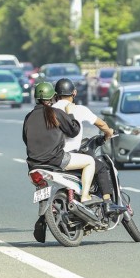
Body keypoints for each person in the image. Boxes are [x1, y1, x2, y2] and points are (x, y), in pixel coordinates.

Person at [23, 81, 93, 243]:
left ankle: (43, 218)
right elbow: (74, 130)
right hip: (56, 160)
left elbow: (25, 139)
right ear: (53, 97)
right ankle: (85, 197)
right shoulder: (56, 113)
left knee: (42, 188)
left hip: (34, 166)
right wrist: (70, 113)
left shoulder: (28, 117)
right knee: (89, 161)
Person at [51, 78, 127, 216]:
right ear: (74, 93)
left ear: (56, 95)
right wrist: (109, 132)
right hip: (70, 156)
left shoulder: (49, 111)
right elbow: (101, 124)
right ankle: (108, 202)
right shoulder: (78, 109)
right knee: (102, 167)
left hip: (51, 156)